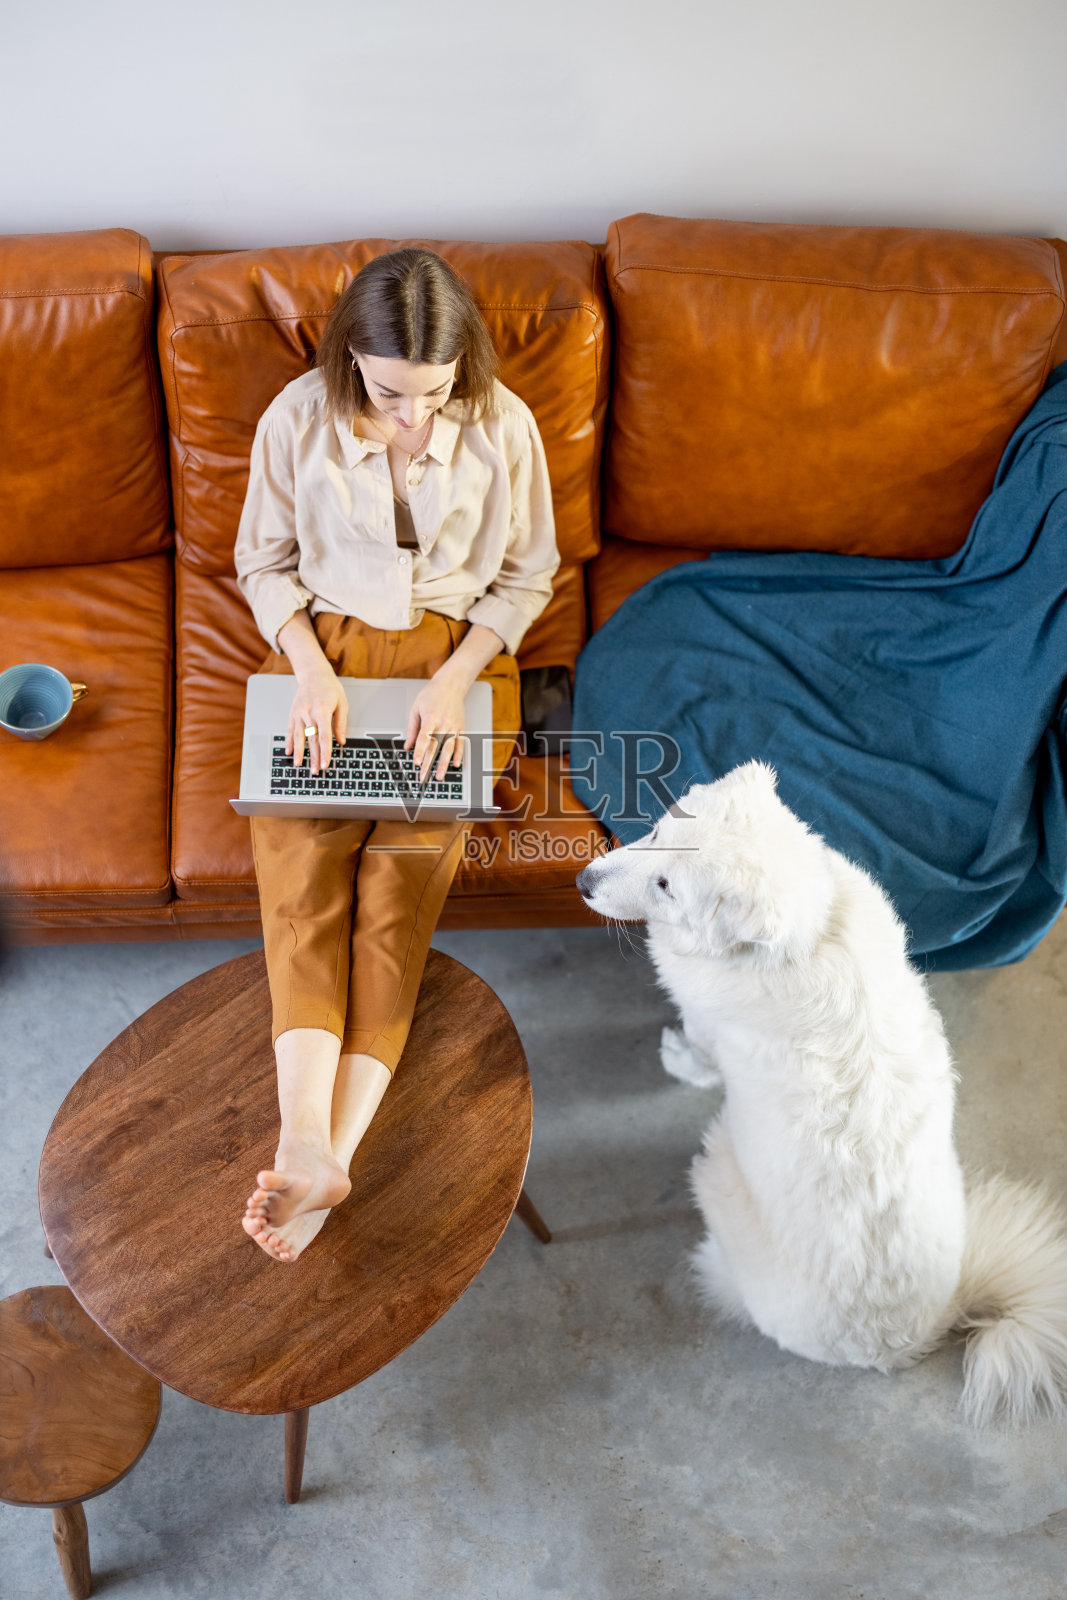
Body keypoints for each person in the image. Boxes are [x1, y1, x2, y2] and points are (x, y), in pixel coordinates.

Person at [233, 248, 559, 1262]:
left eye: (433, 393)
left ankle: (332, 1157)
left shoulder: (504, 425)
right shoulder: (294, 419)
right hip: (322, 654)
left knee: (397, 891)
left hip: (452, 665)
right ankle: (301, 1138)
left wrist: (454, 680)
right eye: (388, 393)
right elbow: (262, 561)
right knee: (298, 880)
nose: (412, 417)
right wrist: (310, 671)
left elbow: (526, 576)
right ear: (348, 361)